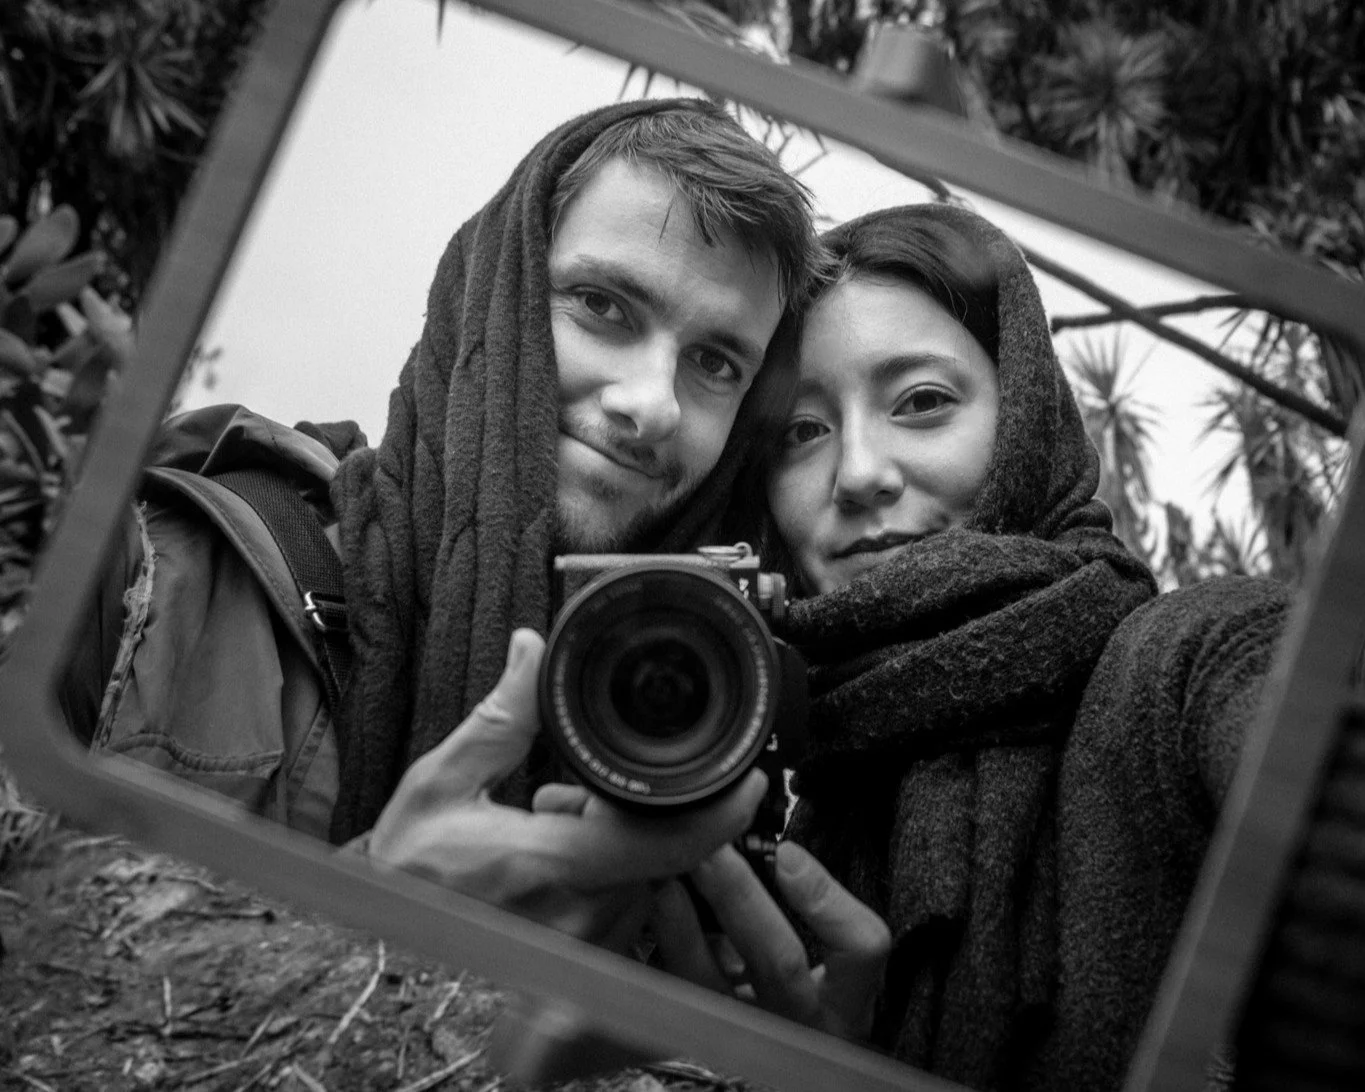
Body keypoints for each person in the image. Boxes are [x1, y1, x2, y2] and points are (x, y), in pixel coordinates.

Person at [64, 97, 827, 945]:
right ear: (484, 297)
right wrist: (370, 917)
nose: (652, 404)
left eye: (716, 363)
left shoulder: (728, 737)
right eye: (602, 306)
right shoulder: (161, 575)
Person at [651, 202, 1293, 1091]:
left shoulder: (1187, 663)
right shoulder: (791, 822)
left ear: (1025, 419)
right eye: (802, 431)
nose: (860, 473)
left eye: (921, 403)